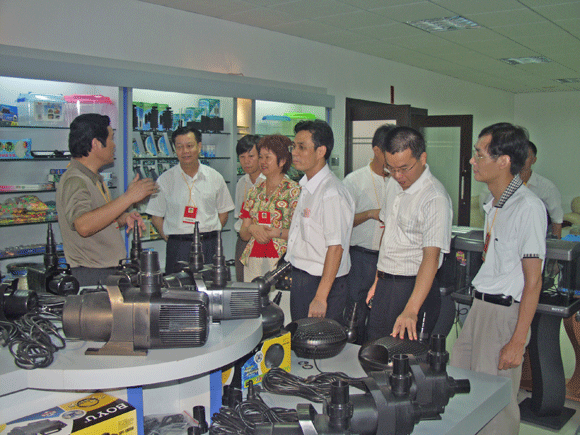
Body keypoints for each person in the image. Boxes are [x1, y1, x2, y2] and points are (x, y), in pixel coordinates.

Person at [451, 123, 546, 435]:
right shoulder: (493, 203)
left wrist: (518, 341)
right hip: (480, 308)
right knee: (463, 387)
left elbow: (533, 281)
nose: (472, 161)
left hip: (504, 313)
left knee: (495, 404)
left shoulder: (528, 207)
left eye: (479, 155)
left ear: (504, 161)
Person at [366, 126, 452, 342]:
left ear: (422, 158)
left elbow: (431, 258)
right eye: (391, 168)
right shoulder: (393, 184)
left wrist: (411, 309)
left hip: (413, 289)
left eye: (404, 168)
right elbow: (389, 235)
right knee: (375, 349)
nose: (398, 175)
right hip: (386, 284)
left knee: (403, 356)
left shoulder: (434, 198)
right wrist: (378, 279)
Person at [56, 113, 158, 286]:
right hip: (91, 274)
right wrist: (128, 197)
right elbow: (83, 225)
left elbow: (98, 219)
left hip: (104, 271)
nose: (114, 145)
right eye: (111, 138)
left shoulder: (94, 178)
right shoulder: (76, 180)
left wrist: (124, 217)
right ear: (96, 144)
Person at [285, 119, 355, 322]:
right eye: (293, 146)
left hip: (322, 284)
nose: (294, 153)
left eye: (301, 147)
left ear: (321, 151)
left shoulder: (331, 192)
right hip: (303, 279)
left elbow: (336, 248)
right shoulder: (308, 186)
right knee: (300, 335)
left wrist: (321, 297)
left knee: (317, 340)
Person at [146, 126, 235, 274]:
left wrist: (210, 234)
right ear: (175, 149)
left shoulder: (215, 177)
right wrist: (173, 239)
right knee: (178, 287)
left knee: (211, 286)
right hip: (178, 247)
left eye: (189, 146)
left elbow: (223, 213)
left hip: (209, 245)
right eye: (179, 147)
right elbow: (156, 217)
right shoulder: (165, 180)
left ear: (199, 147)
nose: (185, 151)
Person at [342, 124, 392, 343]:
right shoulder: (354, 181)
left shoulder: (398, 180)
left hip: (389, 258)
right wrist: (370, 214)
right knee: (355, 313)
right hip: (361, 257)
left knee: (383, 315)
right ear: (377, 150)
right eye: (389, 151)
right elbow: (342, 223)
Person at [239, 135, 300, 282]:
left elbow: (301, 233)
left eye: (268, 157)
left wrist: (276, 232)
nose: (263, 162)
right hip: (253, 259)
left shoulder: (294, 191)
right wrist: (251, 228)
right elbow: (243, 234)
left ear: (282, 161)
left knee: (279, 297)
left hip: (282, 262)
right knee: (253, 295)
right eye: (261, 157)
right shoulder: (254, 191)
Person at [234, 134, 265, 282]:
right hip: (243, 240)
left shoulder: (270, 181)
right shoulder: (241, 182)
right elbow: (239, 215)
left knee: (263, 286)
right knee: (242, 284)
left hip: (265, 241)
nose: (246, 161)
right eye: (242, 157)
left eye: (251, 156)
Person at [520, 140, 564, 238]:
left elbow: (557, 220)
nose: (521, 160)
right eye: (518, 156)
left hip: (539, 236)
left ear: (533, 160)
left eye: (526, 156)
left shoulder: (547, 187)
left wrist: (556, 244)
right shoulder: (504, 184)